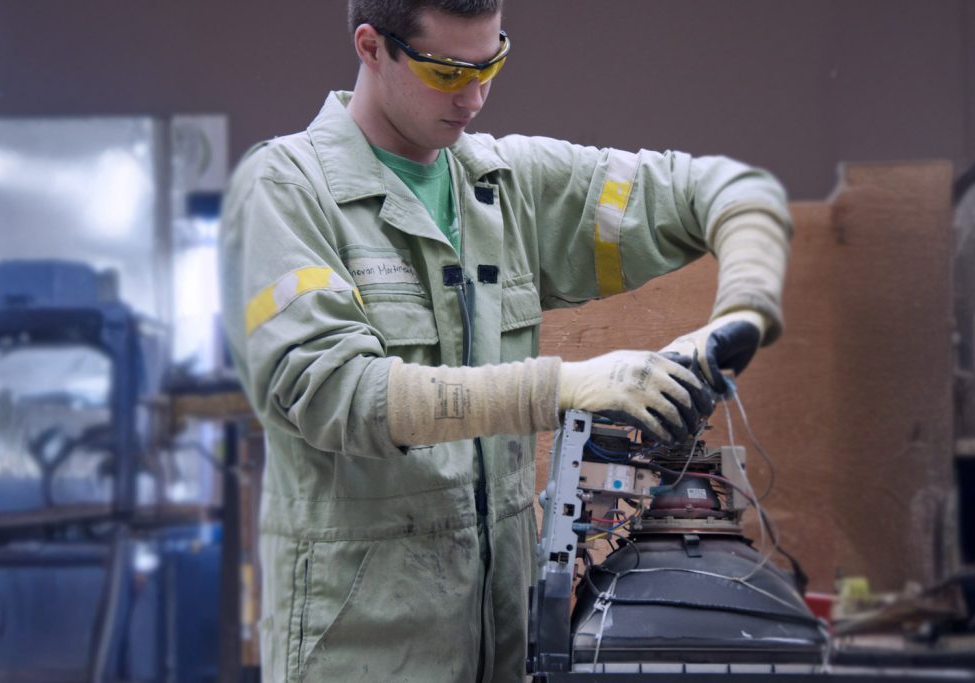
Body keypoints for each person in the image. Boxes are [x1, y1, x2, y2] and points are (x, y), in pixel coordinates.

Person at [218, 1, 791, 680]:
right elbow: (338, 393)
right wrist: (561, 385)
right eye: (446, 71)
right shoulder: (286, 191)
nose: (475, 96)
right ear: (372, 47)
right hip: (362, 652)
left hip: (504, 648)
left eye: (491, 63)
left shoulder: (505, 190)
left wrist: (743, 312)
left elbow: (732, 190)